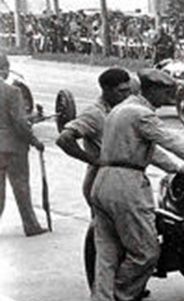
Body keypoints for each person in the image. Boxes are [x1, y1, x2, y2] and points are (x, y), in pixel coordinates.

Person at [90, 69, 184, 301]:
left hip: (103, 181)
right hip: (127, 184)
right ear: (150, 90)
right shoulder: (141, 113)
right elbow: (171, 141)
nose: (170, 97)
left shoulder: (120, 110)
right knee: (146, 252)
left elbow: (150, 149)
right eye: (166, 92)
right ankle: (121, 299)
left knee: (107, 253)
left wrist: (177, 169)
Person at [56, 67, 134, 206]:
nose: (127, 96)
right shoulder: (95, 113)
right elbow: (64, 139)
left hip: (120, 180)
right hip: (100, 180)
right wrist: (94, 161)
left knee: (104, 226)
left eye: (129, 90)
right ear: (106, 90)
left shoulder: (122, 110)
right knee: (104, 224)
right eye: (121, 91)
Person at [0, 53, 46, 237]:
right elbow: (19, 123)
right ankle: (31, 225)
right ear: (4, 68)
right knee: (21, 187)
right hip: (13, 148)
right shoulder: (12, 92)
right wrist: (35, 141)